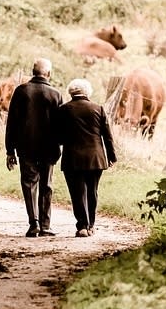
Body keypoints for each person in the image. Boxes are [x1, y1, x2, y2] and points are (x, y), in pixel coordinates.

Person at [5, 58, 63, 237]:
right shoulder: (55, 94)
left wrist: (10, 150)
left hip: (26, 147)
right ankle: (46, 226)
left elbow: (12, 123)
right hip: (49, 148)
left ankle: (34, 223)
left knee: (29, 184)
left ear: (33, 71)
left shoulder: (21, 91)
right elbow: (61, 125)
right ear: (49, 74)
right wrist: (60, 145)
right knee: (46, 185)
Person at [57, 78, 116, 238]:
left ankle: (82, 225)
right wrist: (111, 156)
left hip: (72, 158)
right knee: (92, 191)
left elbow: (59, 137)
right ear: (87, 92)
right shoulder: (98, 109)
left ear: (71, 92)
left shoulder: (63, 110)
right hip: (96, 158)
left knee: (77, 193)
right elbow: (107, 136)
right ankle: (91, 225)